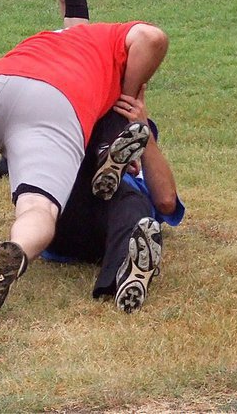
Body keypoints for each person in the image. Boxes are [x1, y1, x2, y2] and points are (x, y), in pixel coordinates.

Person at [0, 21, 169, 319]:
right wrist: (127, 96)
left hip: (0, 82)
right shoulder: (115, 36)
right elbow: (151, 37)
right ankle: (12, 254)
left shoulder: (47, 38)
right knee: (37, 207)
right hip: (60, 100)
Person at [43, 87, 184, 313]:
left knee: (134, 204)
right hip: (71, 214)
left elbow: (167, 202)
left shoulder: (143, 137)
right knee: (94, 156)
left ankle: (126, 276)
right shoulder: (75, 128)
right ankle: (105, 162)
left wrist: (144, 130)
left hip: (112, 229)